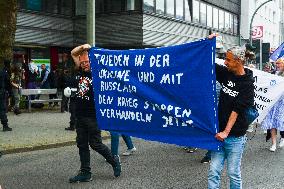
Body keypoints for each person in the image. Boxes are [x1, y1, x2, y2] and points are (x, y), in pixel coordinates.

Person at [68, 44, 121, 183]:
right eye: (83, 62)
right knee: (82, 144)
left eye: (87, 62)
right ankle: (86, 172)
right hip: (79, 116)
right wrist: (83, 47)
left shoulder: (98, 74)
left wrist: (90, 48)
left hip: (93, 116)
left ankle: (114, 161)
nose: (84, 64)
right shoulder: (80, 71)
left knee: (95, 144)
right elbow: (73, 53)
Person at [207, 34, 255, 189]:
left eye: (228, 60)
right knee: (214, 170)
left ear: (238, 61)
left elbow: (236, 110)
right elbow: (208, 62)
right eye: (225, 59)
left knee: (233, 173)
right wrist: (209, 44)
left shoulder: (247, 84)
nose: (225, 62)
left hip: (234, 137)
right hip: (219, 134)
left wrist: (226, 132)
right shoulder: (226, 73)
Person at [261, 57, 284, 152]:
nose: (277, 65)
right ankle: (274, 143)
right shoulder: (274, 74)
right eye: (276, 64)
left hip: (282, 102)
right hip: (274, 102)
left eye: (279, 64)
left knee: (281, 121)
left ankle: (283, 138)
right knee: (272, 123)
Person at [0, 61, 13, 131]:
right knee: (2, 109)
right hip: (1, 93)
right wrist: (10, 93)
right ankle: (5, 125)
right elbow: (8, 84)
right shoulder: (4, 72)